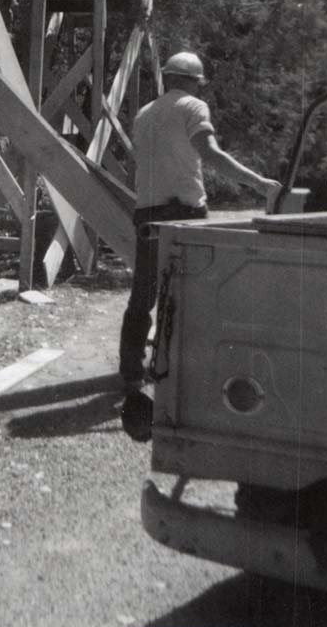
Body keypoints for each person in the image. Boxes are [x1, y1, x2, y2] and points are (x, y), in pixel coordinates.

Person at [119, 51, 281, 440]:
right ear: (193, 82)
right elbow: (209, 154)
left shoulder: (144, 114)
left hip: (147, 213)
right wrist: (259, 183)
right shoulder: (193, 106)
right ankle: (186, 377)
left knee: (142, 297)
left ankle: (130, 375)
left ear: (167, 78)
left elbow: (137, 167)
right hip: (184, 213)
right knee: (196, 296)